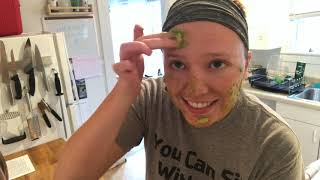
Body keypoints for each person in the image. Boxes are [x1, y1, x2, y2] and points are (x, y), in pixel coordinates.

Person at [54, 0, 305, 179]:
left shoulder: (273, 144)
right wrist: (125, 89)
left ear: (246, 64)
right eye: (177, 64)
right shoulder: (152, 100)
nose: (196, 90)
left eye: (217, 63)